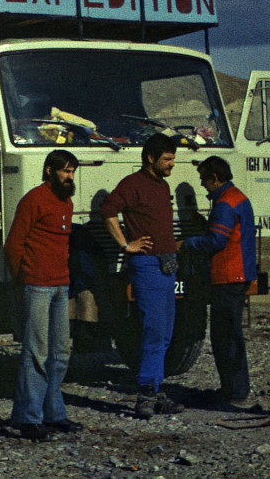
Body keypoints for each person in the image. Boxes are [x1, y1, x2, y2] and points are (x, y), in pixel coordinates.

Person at [100, 133, 185, 419]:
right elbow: (108, 210)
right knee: (153, 330)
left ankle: (157, 393)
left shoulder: (162, 186)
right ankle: (146, 394)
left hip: (167, 266)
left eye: (173, 158)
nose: (172, 164)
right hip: (146, 265)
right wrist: (126, 244)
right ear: (151, 158)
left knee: (166, 332)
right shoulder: (132, 184)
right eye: (167, 159)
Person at [4, 149, 83, 441]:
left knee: (60, 352)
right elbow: (14, 245)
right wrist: (21, 280)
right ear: (49, 170)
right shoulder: (33, 200)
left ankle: (54, 414)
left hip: (61, 285)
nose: (69, 176)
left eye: (73, 172)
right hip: (36, 286)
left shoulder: (67, 203)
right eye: (65, 171)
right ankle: (28, 418)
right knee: (35, 352)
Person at [178, 156, 256, 405]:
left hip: (227, 276)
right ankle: (236, 389)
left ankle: (233, 392)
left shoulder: (224, 204)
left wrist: (185, 244)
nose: (203, 185)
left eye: (204, 179)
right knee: (231, 334)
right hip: (239, 274)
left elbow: (216, 241)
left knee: (225, 337)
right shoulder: (238, 197)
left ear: (214, 178)